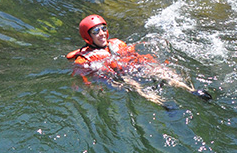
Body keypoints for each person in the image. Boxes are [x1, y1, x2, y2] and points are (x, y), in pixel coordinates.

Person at [66, 14, 212, 107]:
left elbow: (134, 57)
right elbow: (83, 80)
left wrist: (149, 65)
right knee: (133, 84)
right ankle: (163, 104)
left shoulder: (116, 43)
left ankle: (191, 90)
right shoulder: (83, 59)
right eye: (96, 31)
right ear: (88, 36)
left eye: (103, 28)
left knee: (160, 70)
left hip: (130, 67)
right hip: (117, 76)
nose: (102, 34)